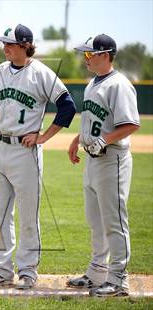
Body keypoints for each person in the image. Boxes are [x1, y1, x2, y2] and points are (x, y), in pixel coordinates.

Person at [0, 24, 76, 290]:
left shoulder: (41, 73)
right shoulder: (1, 70)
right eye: (3, 44)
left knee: (28, 214)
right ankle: (1, 270)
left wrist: (43, 137)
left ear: (25, 46)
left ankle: (28, 271)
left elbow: (67, 106)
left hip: (25, 151)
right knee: (0, 214)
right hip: (1, 149)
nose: (4, 48)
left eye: (9, 44)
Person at [67, 34, 139, 297]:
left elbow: (131, 124)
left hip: (112, 160)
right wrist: (78, 139)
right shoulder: (92, 84)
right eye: (85, 54)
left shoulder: (119, 85)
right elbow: (91, 120)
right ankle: (97, 272)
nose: (85, 59)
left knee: (114, 222)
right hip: (92, 160)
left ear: (105, 55)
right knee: (95, 221)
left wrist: (103, 140)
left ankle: (119, 280)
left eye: (90, 54)